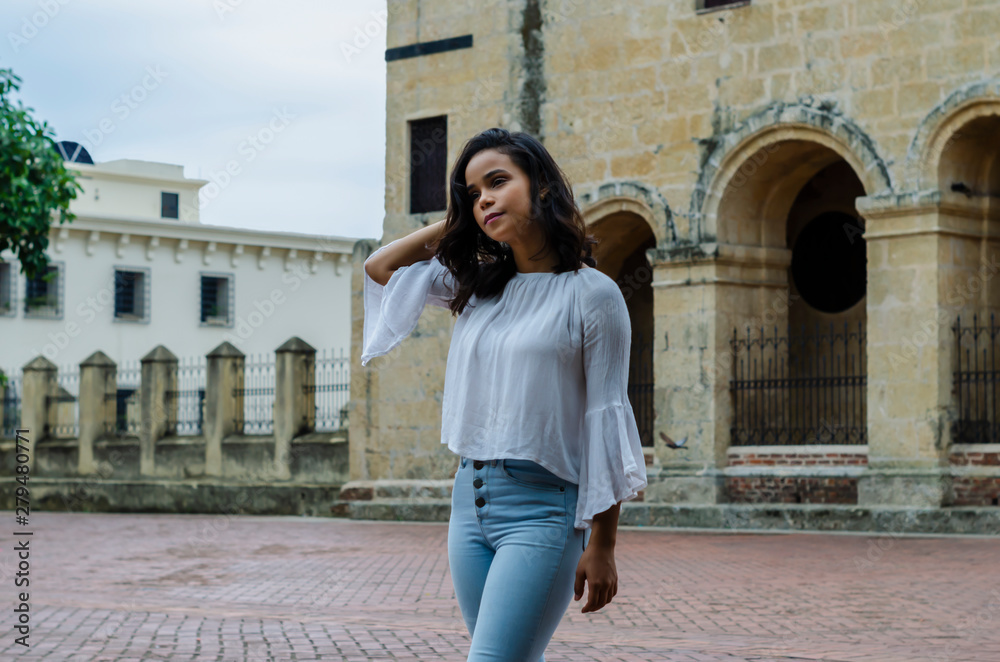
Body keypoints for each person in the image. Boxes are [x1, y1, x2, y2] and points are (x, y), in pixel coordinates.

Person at [361, 127, 648, 661]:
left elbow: (604, 418)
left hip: (544, 508)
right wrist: (463, 220)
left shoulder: (595, 295)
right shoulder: (477, 285)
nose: (484, 198)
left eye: (497, 182)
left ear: (540, 185)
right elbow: (381, 269)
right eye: (472, 194)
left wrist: (603, 544)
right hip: (469, 504)